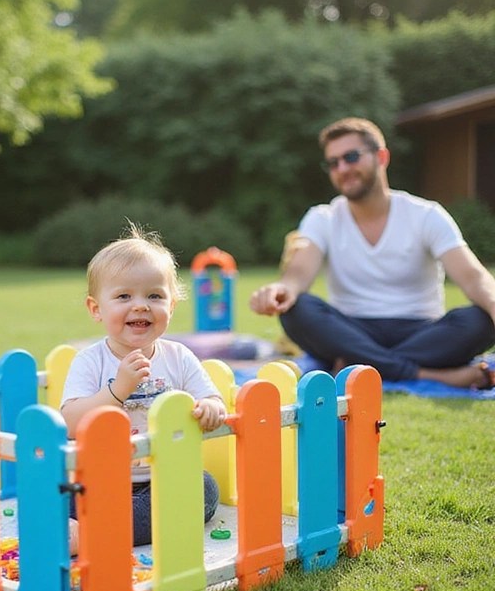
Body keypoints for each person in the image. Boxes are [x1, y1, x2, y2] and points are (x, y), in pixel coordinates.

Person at [249, 117, 495, 388]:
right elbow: (297, 274)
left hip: (420, 332)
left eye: (351, 157)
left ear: (382, 157)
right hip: (350, 331)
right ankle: (429, 375)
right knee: (297, 309)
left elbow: (473, 277)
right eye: (333, 163)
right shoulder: (322, 217)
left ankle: (357, 367)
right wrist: (281, 289)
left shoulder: (427, 215)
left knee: (479, 320)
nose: (342, 168)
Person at [61, 223, 226, 549]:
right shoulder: (90, 361)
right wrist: (117, 390)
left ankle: (94, 533)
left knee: (204, 489)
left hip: (164, 479)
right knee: (55, 492)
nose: (140, 305)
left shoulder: (178, 357)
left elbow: (213, 397)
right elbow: (69, 422)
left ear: (171, 306)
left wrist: (210, 407)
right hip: (100, 480)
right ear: (97, 309)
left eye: (154, 296)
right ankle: (100, 525)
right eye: (124, 296)